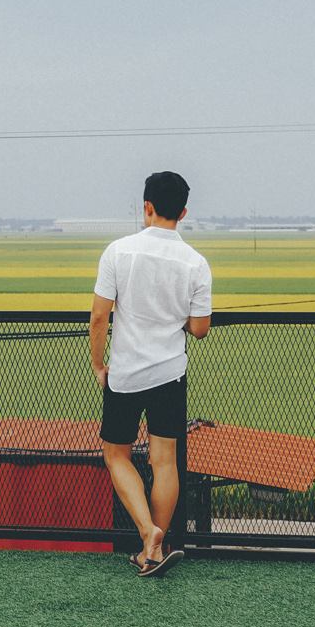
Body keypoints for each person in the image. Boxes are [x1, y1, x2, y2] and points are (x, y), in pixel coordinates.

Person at [90, 171, 212, 577]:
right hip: (170, 373)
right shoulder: (196, 263)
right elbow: (200, 329)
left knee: (116, 455)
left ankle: (147, 533)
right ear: (183, 212)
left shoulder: (118, 252)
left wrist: (99, 365)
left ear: (147, 207)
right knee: (165, 462)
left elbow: (99, 317)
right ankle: (155, 551)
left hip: (125, 373)